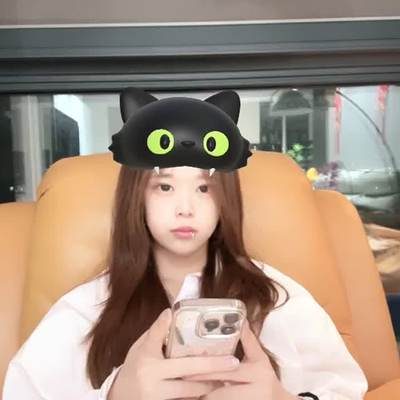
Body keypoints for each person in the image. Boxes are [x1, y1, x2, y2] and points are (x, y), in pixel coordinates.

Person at [2, 164, 369, 400]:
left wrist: (281, 398)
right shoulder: (85, 309)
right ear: (135, 196)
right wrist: (115, 396)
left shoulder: (277, 299)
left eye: (204, 188)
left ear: (226, 200)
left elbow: (344, 390)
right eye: (164, 187)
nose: (185, 208)